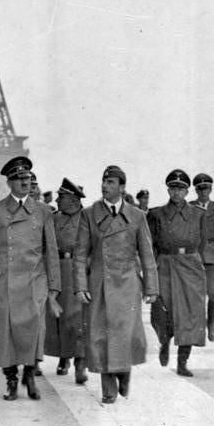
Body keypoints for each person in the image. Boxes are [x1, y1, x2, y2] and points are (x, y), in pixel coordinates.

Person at [73, 165, 158, 404]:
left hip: (128, 284)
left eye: (110, 182)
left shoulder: (137, 216)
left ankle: (125, 372)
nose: (104, 186)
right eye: (103, 181)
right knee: (101, 335)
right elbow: (80, 254)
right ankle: (108, 388)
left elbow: (147, 254)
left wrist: (151, 288)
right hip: (99, 282)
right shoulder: (89, 214)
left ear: (122, 187)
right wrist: (81, 286)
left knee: (124, 334)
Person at [0, 156, 61, 402]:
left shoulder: (43, 211)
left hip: (34, 280)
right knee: (6, 332)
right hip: (5, 280)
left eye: (28, 178)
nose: (26, 182)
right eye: (20, 179)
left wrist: (54, 285)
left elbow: (51, 250)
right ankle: (11, 378)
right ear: (9, 182)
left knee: (33, 329)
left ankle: (30, 373)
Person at [148, 169, 207, 375]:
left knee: (191, 313)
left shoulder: (199, 214)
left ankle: (183, 361)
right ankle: (164, 340)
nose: (177, 193)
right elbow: (151, 244)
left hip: (190, 264)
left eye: (181, 189)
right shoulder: (156, 214)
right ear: (168, 189)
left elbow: (203, 243)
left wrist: (195, 262)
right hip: (165, 263)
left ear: (187, 191)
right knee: (162, 309)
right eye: (173, 188)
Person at [44, 178, 88, 384]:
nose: (57, 200)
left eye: (61, 197)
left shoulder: (87, 219)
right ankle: (64, 357)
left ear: (73, 199)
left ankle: (80, 361)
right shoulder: (54, 219)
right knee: (59, 318)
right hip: (57, 269)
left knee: (77, 318)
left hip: (79, 271)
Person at [189, 173, 214, 341]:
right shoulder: (189, 207)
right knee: (194, 295)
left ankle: (211, 324)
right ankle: (197, 326)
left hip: (213, 257)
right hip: (194, 257)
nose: (203, 192)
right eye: (200, 188)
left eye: (206, 188)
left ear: (211, 189)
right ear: (196, 190)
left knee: (213, 293)